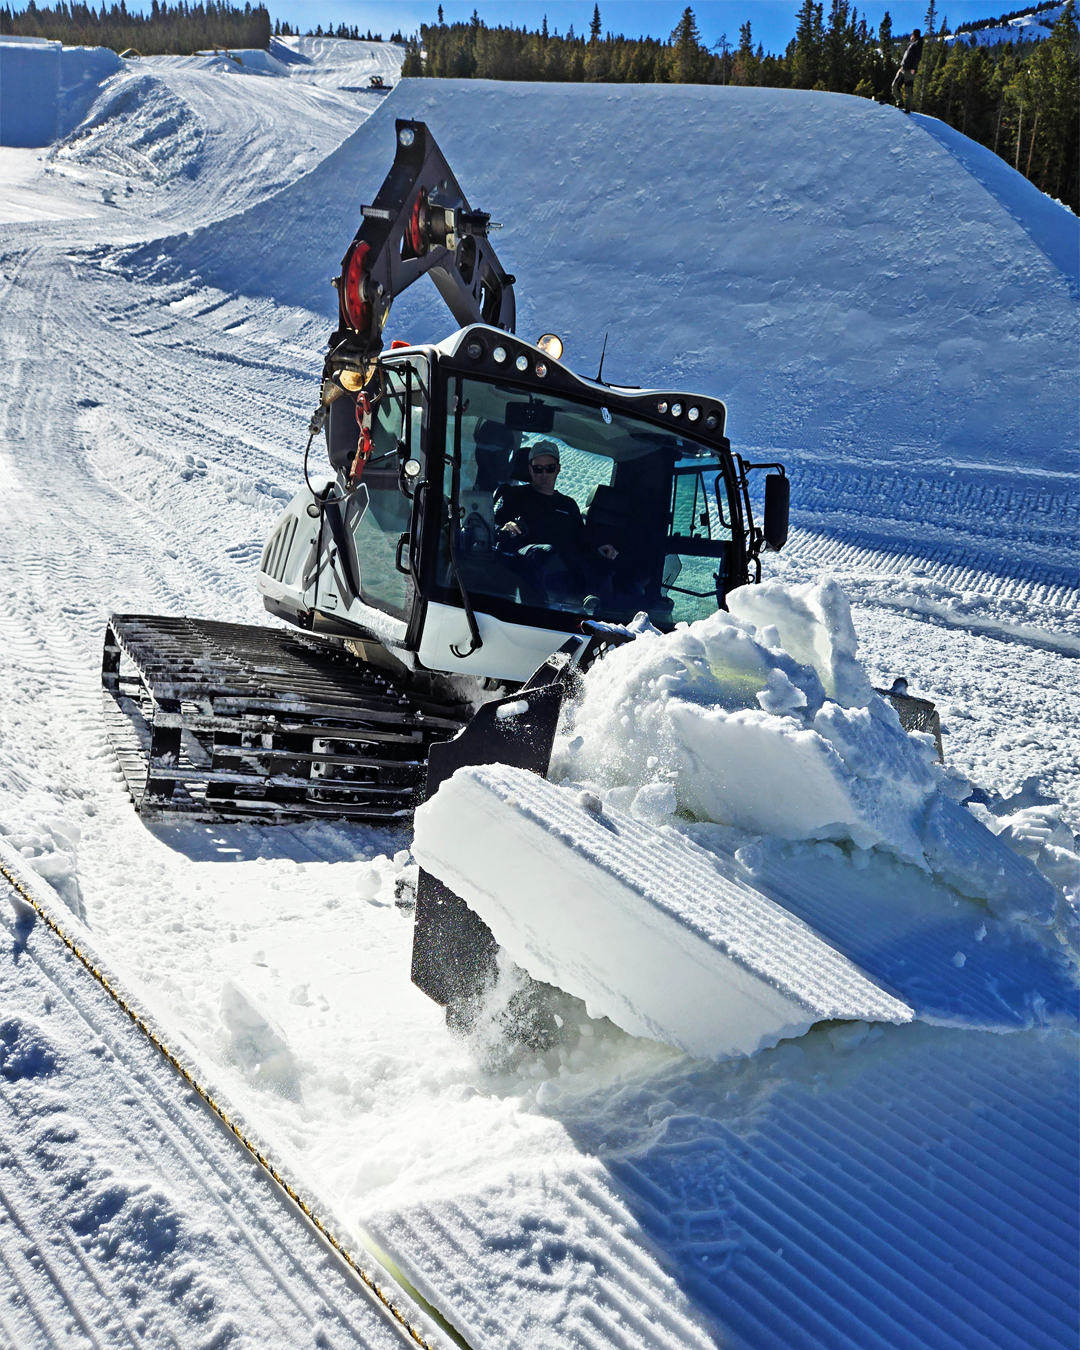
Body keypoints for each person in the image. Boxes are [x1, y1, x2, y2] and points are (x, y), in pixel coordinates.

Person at [494, 442, 617, 606]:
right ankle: (565, 603)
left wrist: (598, 549)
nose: (544, 474)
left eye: (549, 468)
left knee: (603, 562)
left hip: (564, 564)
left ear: (557, 469)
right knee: (546, 552)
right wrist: (505, 528)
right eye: (538, 469)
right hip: (526, 562)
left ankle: (602, 610)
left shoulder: (568, 505)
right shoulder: (514, 496)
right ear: (530, 469)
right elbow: (491, 527)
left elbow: (582, 540)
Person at [891, 29, 923, 114]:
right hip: (903, 69)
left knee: (908, 90)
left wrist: (913, 68)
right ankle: (900, 102)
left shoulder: (918, 44)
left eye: (912, 35)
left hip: (909, 71)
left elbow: (918, 57)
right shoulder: (913, 44)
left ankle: (908, 108)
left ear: (914, 35)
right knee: (895, 86)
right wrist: (901, 68)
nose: (911, 36)